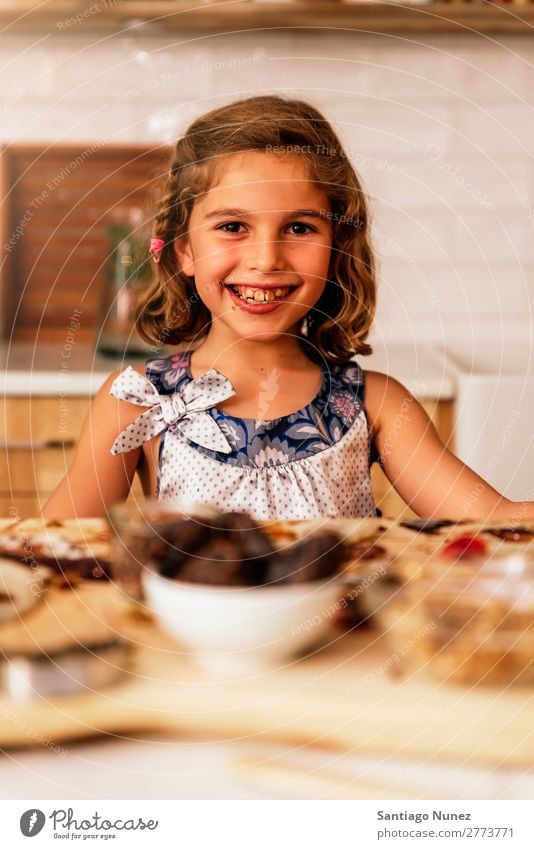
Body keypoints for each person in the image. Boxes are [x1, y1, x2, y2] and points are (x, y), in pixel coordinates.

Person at [42, 95, 534, 522]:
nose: (265, 259)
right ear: (183, 250)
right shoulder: (135, 401)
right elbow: (46, 547)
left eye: (299, 228)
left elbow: (496, 524)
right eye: (233, 226)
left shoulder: (377, 405)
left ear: (338, 246)